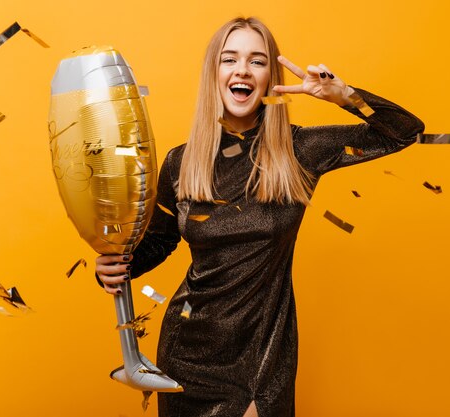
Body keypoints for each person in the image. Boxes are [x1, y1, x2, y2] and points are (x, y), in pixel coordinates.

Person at [96, 16, 424, 417]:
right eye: (229, 59)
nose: (242, 70)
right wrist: (114, 266)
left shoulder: (299, 151)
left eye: (257, 61)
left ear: (270, 77)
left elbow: (405, 131)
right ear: (214, 73)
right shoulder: (181, 162)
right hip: (187, 353)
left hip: (263, 358)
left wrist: (345, 96)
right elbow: (162, 241)